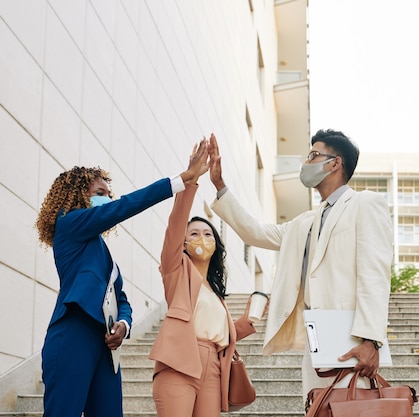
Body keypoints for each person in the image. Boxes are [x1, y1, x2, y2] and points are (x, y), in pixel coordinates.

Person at [207, 129, 393, 400]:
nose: (306, 163)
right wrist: (220, 185)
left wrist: (371, 339)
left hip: (352, 337)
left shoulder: (365, 204)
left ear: (334, 163)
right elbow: (255, 232)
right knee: (317, 407)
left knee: (353, 408)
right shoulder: (304, 222)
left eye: (313, 155)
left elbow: (375, 274)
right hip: (315, 338)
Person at [35, 139, 211, 417]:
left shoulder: (102, 252)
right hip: (73, 333)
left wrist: (124, 325)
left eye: (108, 193)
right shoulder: (68, 223)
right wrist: (181, 180)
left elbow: (122, 299)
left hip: (106, 347)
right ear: (79, 195)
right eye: (100, 192)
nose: (108, 198)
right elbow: (123, 207)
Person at [149, 134, 260, 417]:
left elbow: (216, 329)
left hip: (213, 367)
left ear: (216, 245)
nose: (202, 237)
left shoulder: (213, 291)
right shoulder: (175, 271)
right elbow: (175, 225)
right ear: (184, 243)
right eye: (194, 233)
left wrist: (247, 322)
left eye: (208, 233)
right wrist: (191, 180)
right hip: (178, 364)